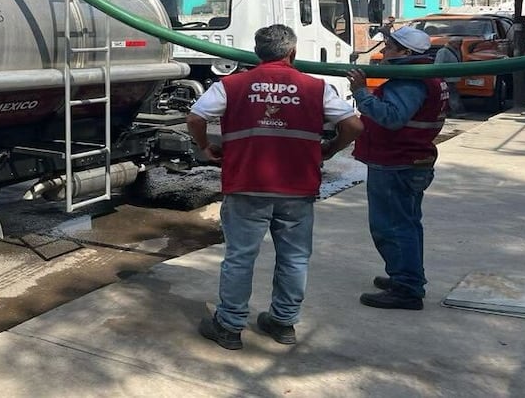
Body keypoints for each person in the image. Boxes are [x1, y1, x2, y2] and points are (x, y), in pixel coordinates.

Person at [187, 24, 363, 350]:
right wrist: (331, 148)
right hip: (297, 186)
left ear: (258, 52)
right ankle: (283, 323)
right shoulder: (316, 87)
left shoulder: (232, 84)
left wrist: (204, 148)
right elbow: (354, 125)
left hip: (247, 185)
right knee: (295, 258)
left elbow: (196, 118)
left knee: (240, 257)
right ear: (292, 53)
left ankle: (229, 326)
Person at [347, 26, 447, 311]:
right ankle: (407, 278)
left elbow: (391, 118)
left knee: (392, 226)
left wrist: (362, 94)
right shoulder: (425, 77)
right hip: (408, 161)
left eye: (389, 47)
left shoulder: (410, 82)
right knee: (407, 224)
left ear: (406, 52)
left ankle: (406, 288)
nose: (384, 52)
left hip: (396, 162)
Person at [434, 36, 466, 118]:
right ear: (452, 43)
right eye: (458, 43)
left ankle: (450, 111)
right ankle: (457, 112)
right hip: (446, 78)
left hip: (451, 78)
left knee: (449, 95)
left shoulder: (457, 51)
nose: (459, 45)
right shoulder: (443, 51)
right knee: (452, 95)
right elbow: (438, 65)